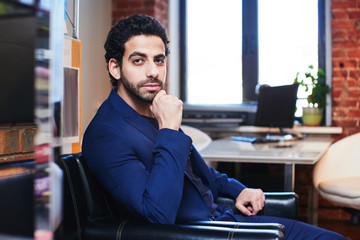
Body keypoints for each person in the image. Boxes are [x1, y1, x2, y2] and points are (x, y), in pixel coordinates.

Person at [82, 14, 345, 239]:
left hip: (225, 218)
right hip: (205, 233)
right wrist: (169, 130)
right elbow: (157, 215)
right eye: (139, 61)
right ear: (115, 68)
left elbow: (201, 173)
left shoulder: (154, 112)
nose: (153, 71)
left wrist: (238, 189)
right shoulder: (106, 133)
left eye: (159, 60)